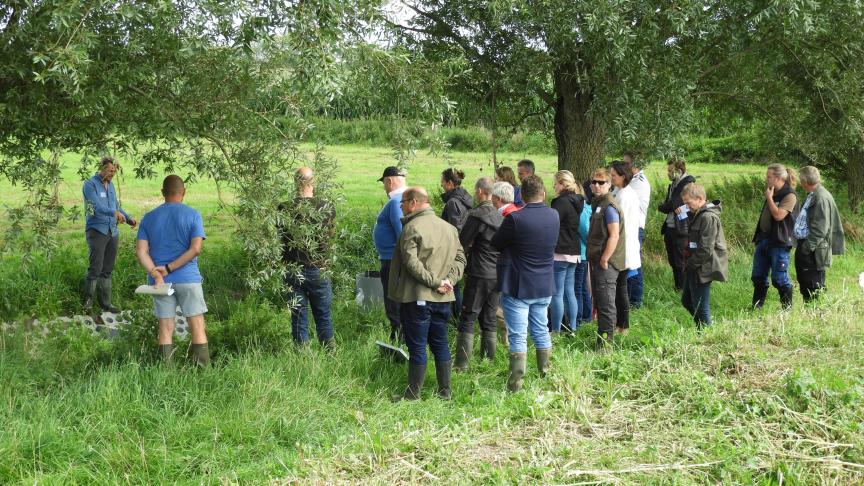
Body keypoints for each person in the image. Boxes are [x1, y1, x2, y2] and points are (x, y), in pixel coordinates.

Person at [389, 187, 466, 401]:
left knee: (417, 346)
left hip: (417, 297)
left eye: (403, 202)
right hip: (443, 298)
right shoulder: (450, 228)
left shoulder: (411, 227)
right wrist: (449, 281)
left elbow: (410, 262)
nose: (401, 206)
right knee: (440, 343)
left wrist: (435, 282)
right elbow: (461, 259)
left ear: (414, 202)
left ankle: (412, 395)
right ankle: (445, 392)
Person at [491, 175, 559, 392]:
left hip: (519, 283)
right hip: (545, 282)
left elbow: (496, 243)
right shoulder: (554, 215)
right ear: (544, 193)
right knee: (541, 329)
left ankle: (516, 384)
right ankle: (545, 374)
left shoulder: (515, 219)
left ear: (522, 195)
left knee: (518, 334)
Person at [135, 175, 209, 366]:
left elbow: (141, 251)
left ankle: (165, 374)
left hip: (161, 283)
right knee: (197, 326)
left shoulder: (149, 218)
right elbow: (195, 249)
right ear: (183, 193)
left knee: (165, 328)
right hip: (188, 279)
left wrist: (155, 272)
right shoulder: (193, 215)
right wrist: (170, 268)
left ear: (162, 193)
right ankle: (202, 372)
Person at [278, 167, 336, 348]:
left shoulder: (283, 208)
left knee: (298, 314)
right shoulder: (326, 207)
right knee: (323, 315)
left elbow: (281, 238)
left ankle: (302, 354)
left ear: (296, 183)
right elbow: (329, 236)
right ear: (313, 183)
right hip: (318, 268)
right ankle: (330, 352)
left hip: (292, 268)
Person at [454, 177, 503, 371]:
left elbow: (462, 242)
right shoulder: (500, 217)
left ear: (481, 192)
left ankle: (461, 364)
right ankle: (487, 362)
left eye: (476, 191)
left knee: (468, 316)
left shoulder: (477, 216)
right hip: (497, 273)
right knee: (489, 318)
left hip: (479, 272)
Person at [82, 157, 137, 313]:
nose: (113, 173)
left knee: (107, 269)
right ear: (102, 168)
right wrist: (114, 212)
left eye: (115, 171)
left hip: (112, 231)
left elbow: (116, 207)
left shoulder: (111, 186)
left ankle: (106, 304)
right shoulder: (90, 185)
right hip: (97, 230)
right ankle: (87, 304)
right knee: (95, 268)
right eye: (111, 170)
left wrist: (128, 219)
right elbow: (97, 207)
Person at [586, 168, 627, 352]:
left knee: (606, 304)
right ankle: (602, 340)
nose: (596, 185)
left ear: (609, 185)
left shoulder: (609, 206)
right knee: (601, 302)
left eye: (601, 182)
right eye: (593, 182)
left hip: (607, 263)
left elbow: (614, 235)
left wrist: (604, 259)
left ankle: (605, 345)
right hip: (598, 260)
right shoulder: (598, 202)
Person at [752, 163, 799, 310]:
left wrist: (769, 198)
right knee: (758, 276)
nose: (766, 179)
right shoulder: (772, 192)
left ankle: (787, 309)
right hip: (764, 239)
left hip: (780, 242)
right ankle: (756, 306)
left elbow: (779, 216)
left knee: (779, 279)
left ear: (779, 178)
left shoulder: (790, 195)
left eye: (769, 177)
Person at [794, 166, 845, 302]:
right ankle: (812, 312)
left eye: (800, 179)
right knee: (806, 282)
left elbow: (820, 229)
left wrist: (806, 247)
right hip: (809, 246)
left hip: (813, 249)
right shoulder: (814, 194)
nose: (800, 182)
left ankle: (816, 314)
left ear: (805, 181)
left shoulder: (820, 197)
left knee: (813, 285)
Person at [680, 184, 728, 328]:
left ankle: (706, 334)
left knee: (701, 306)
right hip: (695, 264)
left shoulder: (708, 217)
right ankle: (702, 329)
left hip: (703, 266)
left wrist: (690, 265)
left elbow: (706, 249)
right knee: (687, 300)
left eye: (688, 203)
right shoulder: (697, 214)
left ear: (700, 199)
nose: (686, 207)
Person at [373, 166, 407, 342]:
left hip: (393, 261)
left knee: (393, 302)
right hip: (393, 259)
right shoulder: (403, 200)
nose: (385, 188)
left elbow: (401, 233)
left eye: (385, 184)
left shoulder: (396, 202)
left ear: (389, 181)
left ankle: (398, 339)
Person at [549, 170, 585, 334]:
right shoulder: (577, 201)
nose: (554, 186)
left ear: (562, 184)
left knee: (557, 293)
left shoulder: (561, 202)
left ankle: (556, 331)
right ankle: (573, 328)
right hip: (574, 250)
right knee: (569, 291)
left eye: (555, 183)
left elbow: (552, 225)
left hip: (560, 251)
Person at [610, 161, 639, 333]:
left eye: (614, 175)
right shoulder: (622, 192)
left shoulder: (624, 196)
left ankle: (622, 325)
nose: (611, 177)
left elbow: (622, 225)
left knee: (620, 288)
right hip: (624, 246)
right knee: (621, 287)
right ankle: (621, 324)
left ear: (623, 176)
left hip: (623, 247)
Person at [658, 159, 696, 291]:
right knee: (673, 261)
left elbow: (691, 207)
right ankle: (678, 287)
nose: (668, 173)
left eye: (670, 171)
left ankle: (684, 289)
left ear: (679, 171)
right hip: (670, 226)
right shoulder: (673, 184)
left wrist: (672, 205)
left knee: (681, 262)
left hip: (682, 229)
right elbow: (668, 205)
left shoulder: (689, 185)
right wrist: (670, 205)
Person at [440, 168, 473, 321]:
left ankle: (455, 319)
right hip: (464, 247)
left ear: (450, 183)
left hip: (454, 249)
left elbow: (454, 228)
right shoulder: (465, 197)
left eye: (443, 182)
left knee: (454, 284)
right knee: (458, 283)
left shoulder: (453, 202)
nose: (441, 185)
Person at [627, 158, 651, 308]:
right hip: (630, 227)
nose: (625, 166)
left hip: (635, 227)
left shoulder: (638, 182)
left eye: (627, 163)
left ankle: (635, 300)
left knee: (634, 263)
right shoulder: (632, 180)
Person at [574, 191, 593, 326]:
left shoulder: (581, 209)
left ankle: (579, 319)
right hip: (583, 252)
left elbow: (585, 230)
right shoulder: (586, 207)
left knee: (578, 288)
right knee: (583, 286)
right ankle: (587, 315)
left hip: (581, 252)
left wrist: (588, 245)